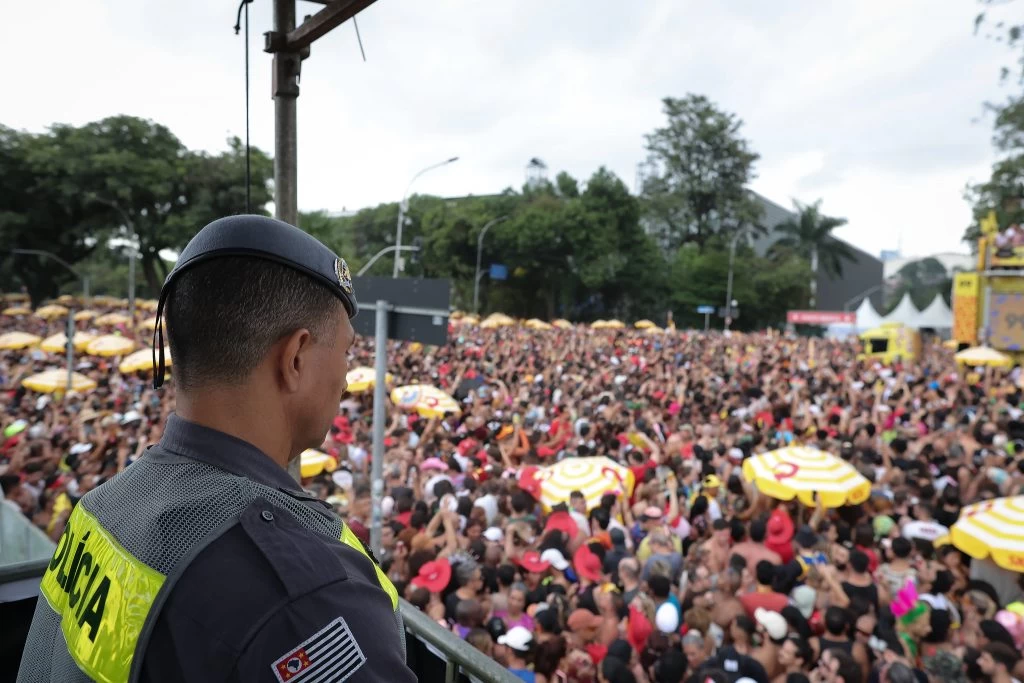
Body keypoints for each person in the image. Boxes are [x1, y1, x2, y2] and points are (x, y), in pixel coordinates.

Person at [17, 216, 414, 682]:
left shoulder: (103, 504)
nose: (347, 379)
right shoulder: (307, 600)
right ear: (296, 358)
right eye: (347, 352)